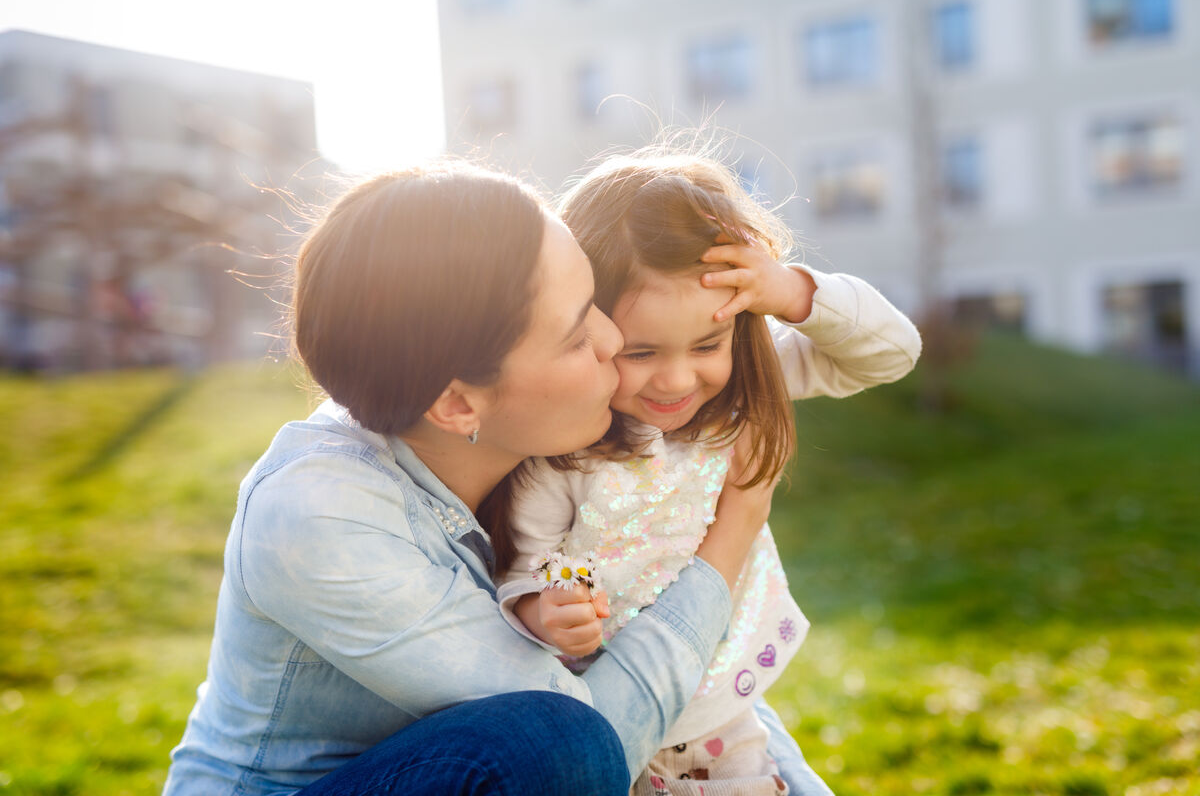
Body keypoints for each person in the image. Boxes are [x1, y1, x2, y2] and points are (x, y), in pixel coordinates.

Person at [162, 160, 803, 796]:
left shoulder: (533, 454)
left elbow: (687, 691)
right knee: (549, 740)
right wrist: (729, 539)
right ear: (459, 405)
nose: (614, 340)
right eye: (578, 334)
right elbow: (598, 733)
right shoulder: (317, 515)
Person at [493, 151, 922, 795]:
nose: (676, 380)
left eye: (705, 345)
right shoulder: (565, 450)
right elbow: (525, 563)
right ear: (590, 330)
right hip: (617, 711)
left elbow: (893, 353)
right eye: (640, 352)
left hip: (726, 707)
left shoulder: (745, 390)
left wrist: (789, 291)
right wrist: (537, 608)